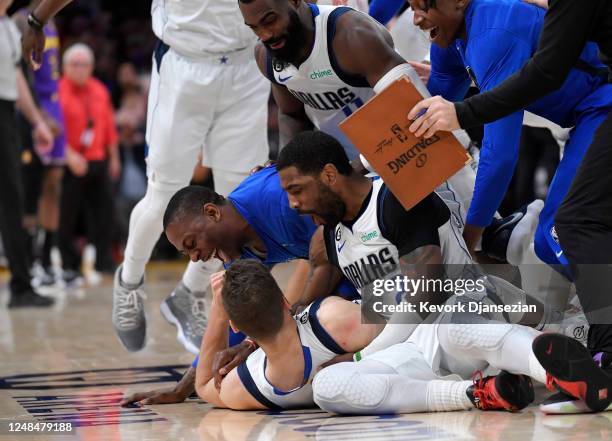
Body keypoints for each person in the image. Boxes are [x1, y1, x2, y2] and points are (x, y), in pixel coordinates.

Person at [21, 0, 271, 353]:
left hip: (247, 64)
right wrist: (38, 18)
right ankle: (129, 280)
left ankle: (191, 291)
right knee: (164, 195)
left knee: (243, 206)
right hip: (185, 64)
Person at [405, 0, 612, 412]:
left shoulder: (492, 35)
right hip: (585, 115)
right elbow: (441, 96)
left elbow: (500, 155)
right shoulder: (452, 35)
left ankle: (602, 345)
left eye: (423, 5)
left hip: (601, 107)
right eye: (410, 6)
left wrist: (473, 231)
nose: (415, 17)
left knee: (562, 233)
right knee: (556, 234)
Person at [120, 165, 359, 405]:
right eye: (186, 253)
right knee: (310, 328)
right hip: (359, 261)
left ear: (212, 213)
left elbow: (332, 262)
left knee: (327, 319)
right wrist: (181, 390)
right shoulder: (233, 250)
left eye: (192, 243)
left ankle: (374, 353)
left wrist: (254, 342)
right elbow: (236, 324)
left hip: (382, 241)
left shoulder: (280, 201)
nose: (195, 258)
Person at [190, 260, 380, 410]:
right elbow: (406, 318)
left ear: (235, 327)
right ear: (286, 302)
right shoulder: (334, 319)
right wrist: (360, 357)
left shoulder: (247, 386)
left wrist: (218, 311)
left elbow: (204, 385)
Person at [0, 0, 54, 307]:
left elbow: (16, 78)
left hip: (7, 114)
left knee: (13, 199)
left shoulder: (8, 25)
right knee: (10, 199)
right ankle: (21, 285)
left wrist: (37, 122)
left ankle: (21, 285)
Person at [14, 1, 66, 288]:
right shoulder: (23, 20)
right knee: (29, 188)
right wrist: (41, 115)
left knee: (54, 184)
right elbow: (23, 71)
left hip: (55, 103)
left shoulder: (53, 17)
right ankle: (30, 259)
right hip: (34, 107)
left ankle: (47, 259)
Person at [57, 43, 120, 281]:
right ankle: (68, 264)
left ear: (92, 67)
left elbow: (109, 127)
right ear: (64, 67)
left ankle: (104, 260)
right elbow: (53, 131)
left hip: (97, 160)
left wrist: (114, 157)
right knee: (67, 216)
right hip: (69, 161)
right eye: (74, 65)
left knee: (105, 214)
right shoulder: (58, 91)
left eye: (84, 65)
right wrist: (68, 155)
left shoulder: (100, 90)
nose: (80, 69)